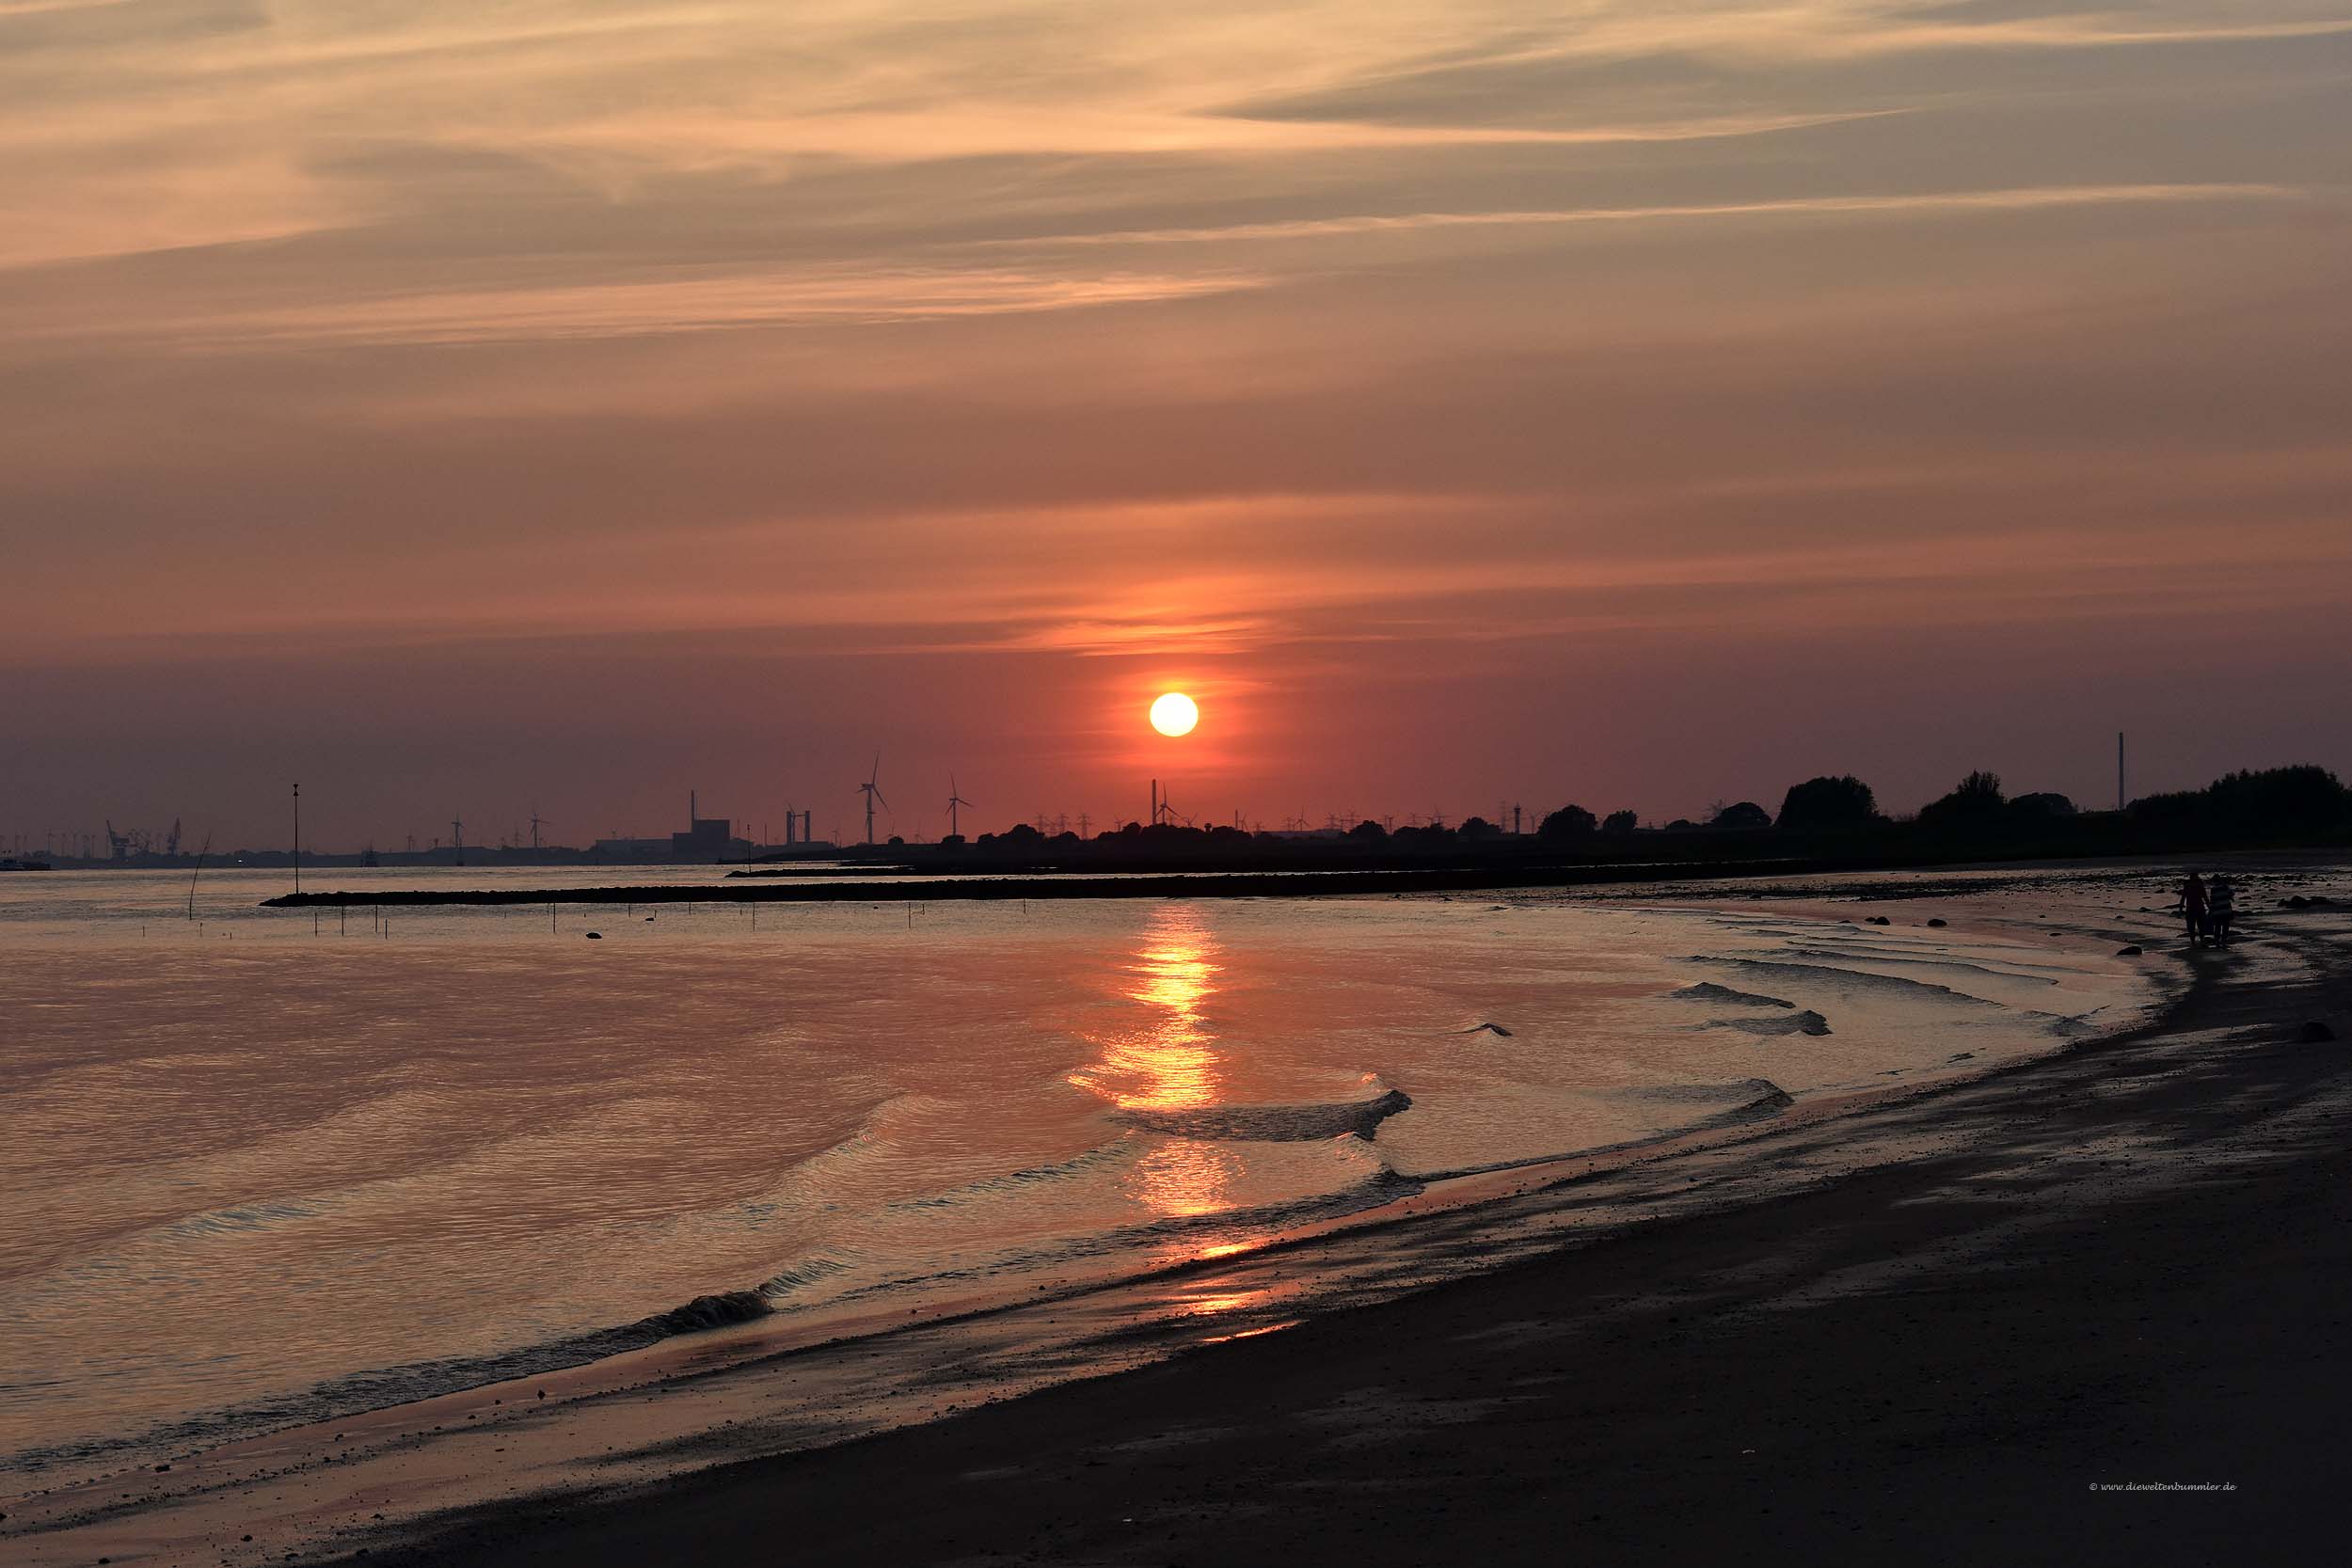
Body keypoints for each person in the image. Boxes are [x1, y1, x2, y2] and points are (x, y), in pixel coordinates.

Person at [2179, 872, 2209, 945]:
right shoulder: (2200, 886)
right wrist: (2210, 907)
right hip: (2200, 908)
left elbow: (2183, 899)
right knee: (2201, 926)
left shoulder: (2187, 887)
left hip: (2191, 909)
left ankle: (2193, 942)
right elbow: (2205, 898)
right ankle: (2202, 940)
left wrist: (2180, 909)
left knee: (2191, 927)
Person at [2208, 874, 2235, 945]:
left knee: (2217, 926)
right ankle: (2224, 940)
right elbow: (2232, 894)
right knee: (2225, 926)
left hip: (2217, 911)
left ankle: (2217, 940)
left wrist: (2210, 911)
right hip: (2226, 910)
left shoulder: (2213, 889)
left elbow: (2212, 901)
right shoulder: (2225, 887)